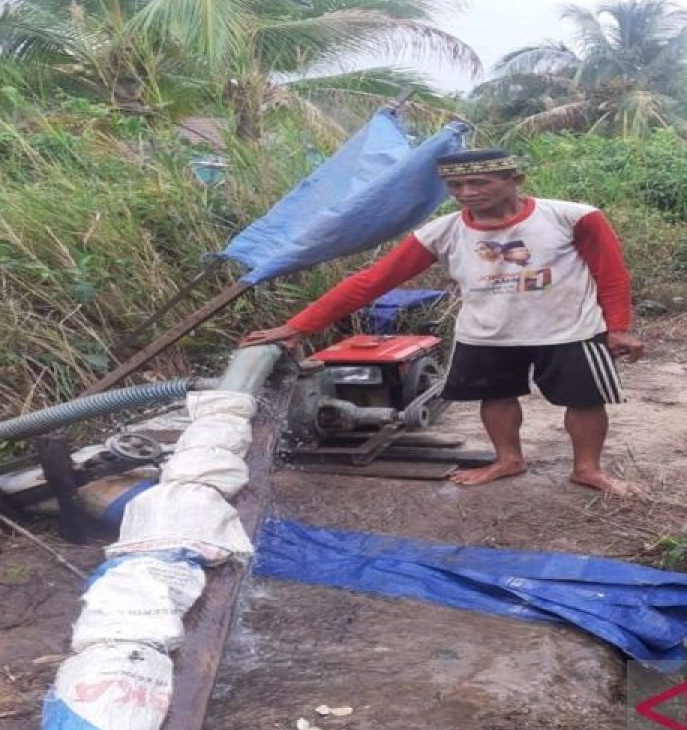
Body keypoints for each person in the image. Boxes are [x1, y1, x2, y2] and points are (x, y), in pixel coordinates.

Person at [239, 148, 646, 495]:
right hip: (487, 332)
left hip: (569, 328)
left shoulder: (573, 217)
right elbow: (373, 280)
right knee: (497, 397)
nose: (466, 194)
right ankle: (508, 460)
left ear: (515, 179)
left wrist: (620, 326)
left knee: (585, 399)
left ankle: (587, 469)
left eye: (479, 183)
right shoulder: (442, 231)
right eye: (456, 187)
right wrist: (300, 325)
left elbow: (611, 273)